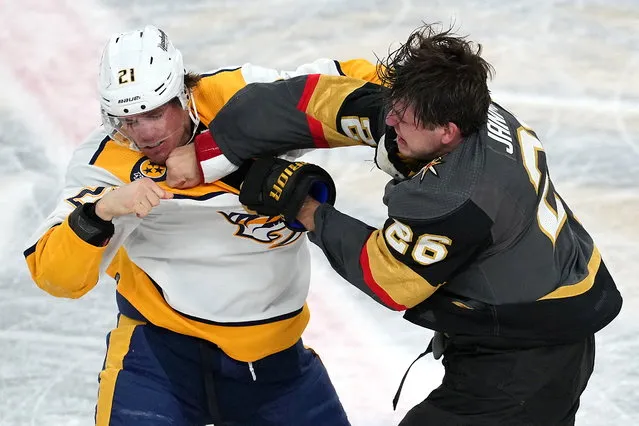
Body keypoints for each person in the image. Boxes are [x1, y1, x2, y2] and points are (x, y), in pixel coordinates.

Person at [182, 23, 623, 425]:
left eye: (402, 120)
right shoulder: (456, 108)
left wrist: (307, 210)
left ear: (446, 132)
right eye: (394, 107)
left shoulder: (455, 197)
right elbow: (317, 102)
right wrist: (212, 149)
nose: (390, 121)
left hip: (527, 359)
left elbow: (387, 277)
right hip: (536, 311)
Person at [23, 25, 381, 426]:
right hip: (159, 361)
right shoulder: (105, 161)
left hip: (276, 365)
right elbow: (53, 276)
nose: (144, 134)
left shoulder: (242, 95)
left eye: (155, 113)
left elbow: (345, 86)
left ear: (183, 95)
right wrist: (101, 212)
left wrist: (432, 104)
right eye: (127, 119)